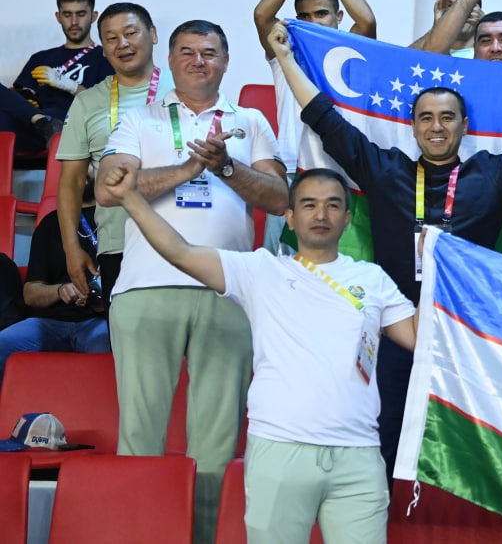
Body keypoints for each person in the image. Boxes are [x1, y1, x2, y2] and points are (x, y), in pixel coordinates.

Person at [267, 20, 502, 476]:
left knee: (467, 451)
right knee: (385, 439)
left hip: (465, 331)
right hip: (397, 330)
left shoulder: (490, 173)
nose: (437, 127)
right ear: (413, 127)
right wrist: (285, 58)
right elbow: (324, 117)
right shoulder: (385, 170)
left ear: (464, 125)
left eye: (447, 117)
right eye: (426, 118)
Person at [101, 164, 415, 544]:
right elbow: (180, 252)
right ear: (290, 218)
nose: (321, 214)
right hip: (279, 451)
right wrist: (130, 198)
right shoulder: (259, 270)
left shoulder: (373, 279)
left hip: (359, 457)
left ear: (347, 220)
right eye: (309, 205)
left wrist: (439, 261)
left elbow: (420, 338)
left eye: (333, 205)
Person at [96, 19, 289, 544]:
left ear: (226, 62)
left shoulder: (249, 121)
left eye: (209, 52)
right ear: (171, 59)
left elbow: (279, 199)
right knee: (140, 435)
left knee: (217, 442)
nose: (198, 61)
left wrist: (226, 167)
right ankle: (139, 537)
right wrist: (187, 169)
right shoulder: (140, 119)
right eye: (187, 52)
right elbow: (109, 187)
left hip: (230, 290)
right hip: (145, 288)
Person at [60, 2, 170, 302]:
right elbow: (70, 183)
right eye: (111, 38)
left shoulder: (185, 90)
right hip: (118, 245)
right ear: (103, 49)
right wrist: (72, 249)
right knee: (124, 333)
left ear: (153, 34)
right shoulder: (86, 103)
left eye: (131, 33)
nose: (122, 43)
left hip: (186, 238)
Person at [254, 0, 378, 175]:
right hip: (293, 166)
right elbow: (262, 15)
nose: (313, 22)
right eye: (305, 16)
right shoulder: (284, 48)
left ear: (339, 17)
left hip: (343, 168)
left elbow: (367, 22)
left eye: (321, 14)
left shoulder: (349, 51)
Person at [0, 187, 110, 385]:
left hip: (99, 322)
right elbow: (30, 294)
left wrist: (101, 301)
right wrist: (60, 291)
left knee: (110, 355)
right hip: (50, 323)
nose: (84, 173)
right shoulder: (51, 223)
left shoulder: (117, 223)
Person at [0, 0, 112, 149]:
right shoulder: (40, 57)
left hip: (73, 124)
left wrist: (68, 84)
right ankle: (43, 122)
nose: (74, 22)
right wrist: (27, 98)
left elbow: (105, 103)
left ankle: (46, 123)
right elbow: (19, 95)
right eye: (67, 14)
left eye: (81, 14)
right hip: (34, 127)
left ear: (94, 16)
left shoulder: (105, 57)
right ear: (58, 17)